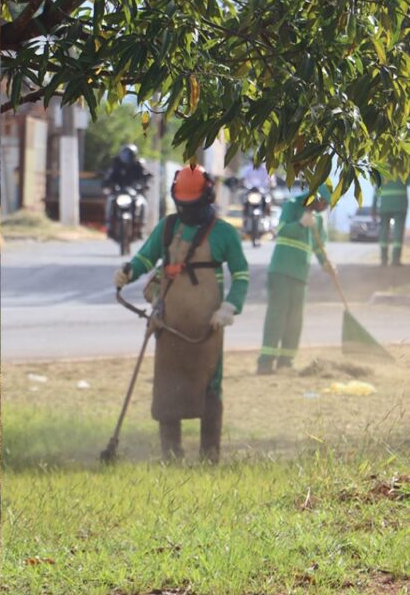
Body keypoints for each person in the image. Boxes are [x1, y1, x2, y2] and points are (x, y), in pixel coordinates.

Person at [114, 164, 249, 462]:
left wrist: (230, 306)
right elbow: (145, 258)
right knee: (167, 384)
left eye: (193, 205)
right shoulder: (168, 228)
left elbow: (241, 275)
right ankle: (171, 455)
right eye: (183, 205)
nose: (187, 211)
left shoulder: (224, 234)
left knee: (209, 386)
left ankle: (210, 455)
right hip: (169, 320)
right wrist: (128, 272)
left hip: (208, 324)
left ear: (208, 198)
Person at [256, 184, 333, 375]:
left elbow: (318, 246)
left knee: (295, 320)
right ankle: (265, 363)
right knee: (277, 317)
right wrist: (299, 224)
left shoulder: (317, 220)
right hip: (281, 271)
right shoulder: (291, 206)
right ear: (315, 197)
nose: (324, 208)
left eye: (327, 205)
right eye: (323, 203)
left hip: (300, 275)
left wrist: (326, 263)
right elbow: (281, 230)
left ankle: (286, 362)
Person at [102, 143, 151, 235]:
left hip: (134, 192)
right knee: (109, 200)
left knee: (143, 202)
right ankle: (109, 225)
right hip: (119, 192)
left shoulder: (138, 165)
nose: (127, 156)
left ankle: (141, 225)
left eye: (130, 154)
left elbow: (146, 176)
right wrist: (108, 184)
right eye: (125, 154)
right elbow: (109, 176)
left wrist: (144, 184)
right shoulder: (117, 164)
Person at [373, 177, 409, 267]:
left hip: (385, 205)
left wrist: (373, 207)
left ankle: (384, 259)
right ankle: (395, 259)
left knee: (384, 231)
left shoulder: (381, 170)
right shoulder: (403, 168)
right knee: (398, 231)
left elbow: (376, 190)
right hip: (400, 205)